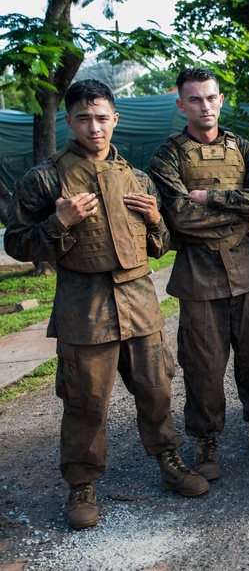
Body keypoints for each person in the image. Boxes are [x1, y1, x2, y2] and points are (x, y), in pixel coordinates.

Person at [5, 80, 209, 530]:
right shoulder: (45, 178)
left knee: (156, 389)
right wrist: (58, 221)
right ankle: (81, 485)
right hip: (85, 308)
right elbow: (17, 243)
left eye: (101, 117)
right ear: (70, 122)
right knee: (86, 402)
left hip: (139, 305)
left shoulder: (137, 178)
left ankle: (170, 460)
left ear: (115, 119)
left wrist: (157, 219)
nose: (94, 127)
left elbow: (160, 247)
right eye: (83, 118)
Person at [148, 68, 249, 482]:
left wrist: (212, 198)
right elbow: (179, 216)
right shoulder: (167, 156)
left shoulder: (247, 151)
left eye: (211, 97)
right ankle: (206, 441)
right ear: (181, 104)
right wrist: (235, 213)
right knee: (203, 364)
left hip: (246, 270)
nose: (205, 106)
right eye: (194, 99)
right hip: (198, 276)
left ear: (221, 100)